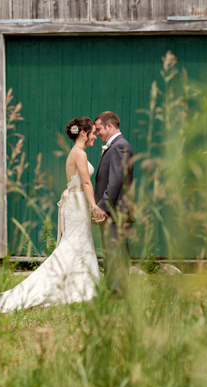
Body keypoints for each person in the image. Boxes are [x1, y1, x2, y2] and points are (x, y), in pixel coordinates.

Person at [0, 117, 103, 314]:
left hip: (74, 204)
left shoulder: (74, 153)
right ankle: (73, 287)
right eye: (93, 132)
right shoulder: (80, 154)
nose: (95, 136)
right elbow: (85, 183)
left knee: (78, 243)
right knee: (74, 244)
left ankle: (81, 287)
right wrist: (94, 206)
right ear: (83, 133)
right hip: (77, 204)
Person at [92, 111, 135, 297]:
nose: (98, 133)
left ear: (109, 126)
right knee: (112, 252)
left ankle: (119, 291)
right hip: (114, 211)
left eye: (99, 129)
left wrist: (102, 206)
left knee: (116, 253)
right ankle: (115, 289)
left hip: (116, 212)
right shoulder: (116, 146)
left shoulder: (119, 146)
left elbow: (116, 181)